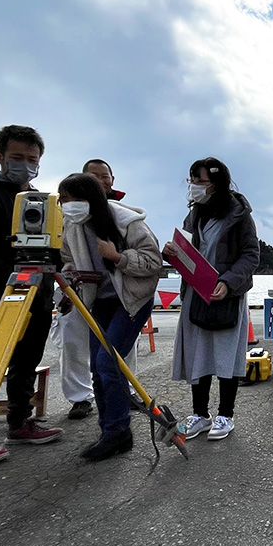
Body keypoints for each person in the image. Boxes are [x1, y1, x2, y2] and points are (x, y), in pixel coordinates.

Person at [0, 125, 63, 465]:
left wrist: (51, 273)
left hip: (39, 294)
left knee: (27, 361)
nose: (25, 164)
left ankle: (20, 421)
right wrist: (13, 274)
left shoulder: (44, 201)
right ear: (0, 156)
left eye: (32, 159)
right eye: (17, 157)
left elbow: (55, 245)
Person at [57, 173, 161, 461]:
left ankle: (118, 431)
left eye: (71, 200)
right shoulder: (72, 226)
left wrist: (118, 257)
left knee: (108, 362)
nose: (66, 207)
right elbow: (67, 259)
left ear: (90, 199)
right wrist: (71, 278)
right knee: (97, 368)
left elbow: (154, 263)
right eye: (62, 201)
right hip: (99, 301)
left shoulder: (128, 222)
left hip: (131, 300)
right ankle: (109, 430)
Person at [166, 158, 259, 441]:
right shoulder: (195, 214)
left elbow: (251, 255)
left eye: (200, 182)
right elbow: (188, 253)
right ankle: (199, 415)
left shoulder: (239, 213)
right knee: (198, 355)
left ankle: (226, 415)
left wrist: (228, 282)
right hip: (195, 292)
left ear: (216, 184)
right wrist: (171, 253)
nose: (193, 187)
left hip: (226, 294)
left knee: (226, 354)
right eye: (191, 181)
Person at [53, 158, 135, 420]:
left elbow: (145, 256)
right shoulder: (69, 214)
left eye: (106, 176)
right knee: (72, 341)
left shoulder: (124, 214)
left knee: (122, 347)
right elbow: (62, 254)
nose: (101, 181)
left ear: (113, 180)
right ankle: (80, 397)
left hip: (118, 294)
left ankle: (126, 390)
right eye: (94, 176)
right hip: (80, 289)